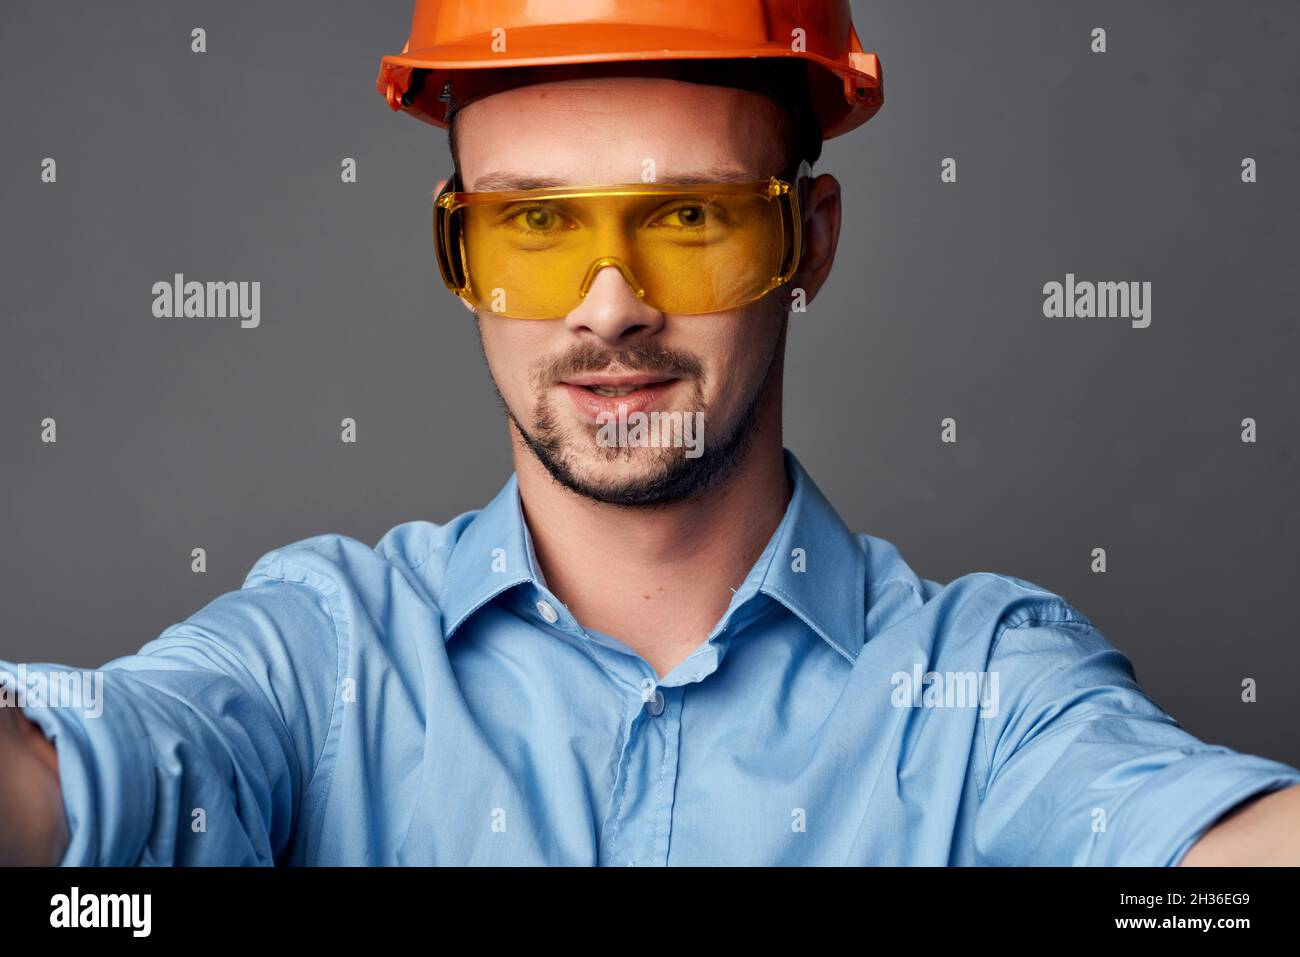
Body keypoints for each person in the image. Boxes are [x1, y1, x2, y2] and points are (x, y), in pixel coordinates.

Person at [2, 0, 1298, 866]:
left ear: (812, 240)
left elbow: (1199, 860)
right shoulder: (322, 653)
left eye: (687, 218)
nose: (609, 306)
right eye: (537, 226)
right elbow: (91, 782)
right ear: (459, 245)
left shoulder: (984, 695)